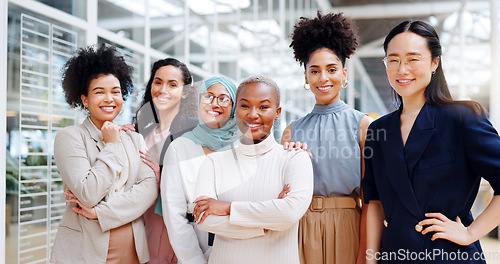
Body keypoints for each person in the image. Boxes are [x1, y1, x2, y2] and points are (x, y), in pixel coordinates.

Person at [362, 20, 500, 263]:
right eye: (393, 60)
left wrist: (470, 233)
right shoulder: (378, 130)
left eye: (413, 59)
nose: (402, 70)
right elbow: (374, 203)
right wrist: (369, 259)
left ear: (435, 62)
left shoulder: (463, 118)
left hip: (447, 255)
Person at [51, 44, 158, 264]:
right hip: (86, 252)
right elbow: (88, 193)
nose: (109, 98)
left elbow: (149, 189)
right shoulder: (70, 137)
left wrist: (102, 213)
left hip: (133, 252)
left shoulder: (134, 138)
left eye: (115, 92)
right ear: (84, 99)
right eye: (99, 92)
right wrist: (112, 146)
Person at [193, 75, 314, 264]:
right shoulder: (214, 163)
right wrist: (266, 225)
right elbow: (204, 220)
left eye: (264, 107)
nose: (253, 114)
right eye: (245, 106)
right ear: (235, 111)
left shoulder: (295, 158)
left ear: (277, 112)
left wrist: (227, 208)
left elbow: (289, 212)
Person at [283, 12, 373, 264]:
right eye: (315, 71)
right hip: (301, 226)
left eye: (332, 69)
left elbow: (371, 200)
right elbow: (281, 192)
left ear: (344, 74)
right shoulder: (291, 131)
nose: (323, 78)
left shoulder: (364, 126)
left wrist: (366, 253)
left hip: (349, 225)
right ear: (306, 77)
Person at [161, 76, 240, 264]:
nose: (215, 103)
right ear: (198, 102)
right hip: (195, 248)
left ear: (234, 107)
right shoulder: (179, 147)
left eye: (223, 99)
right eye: (208, 96)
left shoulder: (243, 148)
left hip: (238, 249)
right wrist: (194, 261)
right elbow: (174, 216)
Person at [136, 58, 198, 264]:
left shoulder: (193, 133)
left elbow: (199, 186)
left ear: (185, 91)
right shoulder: (141, 131)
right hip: (139, 222)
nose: (163, 90)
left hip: (169, 225)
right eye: (158, 82)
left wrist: (162, 175)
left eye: (172, 85)